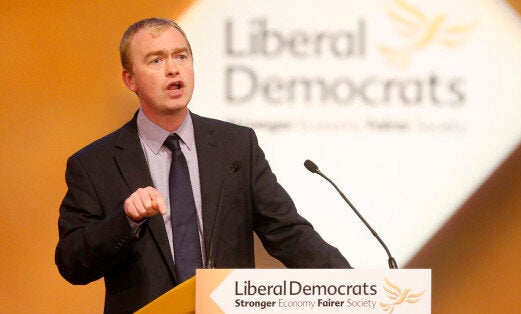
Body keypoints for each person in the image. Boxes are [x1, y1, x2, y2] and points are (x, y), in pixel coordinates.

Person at [55, 17, 350, 313]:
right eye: (155, 60)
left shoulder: (236, 146)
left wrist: (354, 290)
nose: (173, 68)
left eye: (181, 56)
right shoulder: (95, 163)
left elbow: (288, 233)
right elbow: (72, 263)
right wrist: (126, 219)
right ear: (129, 80)